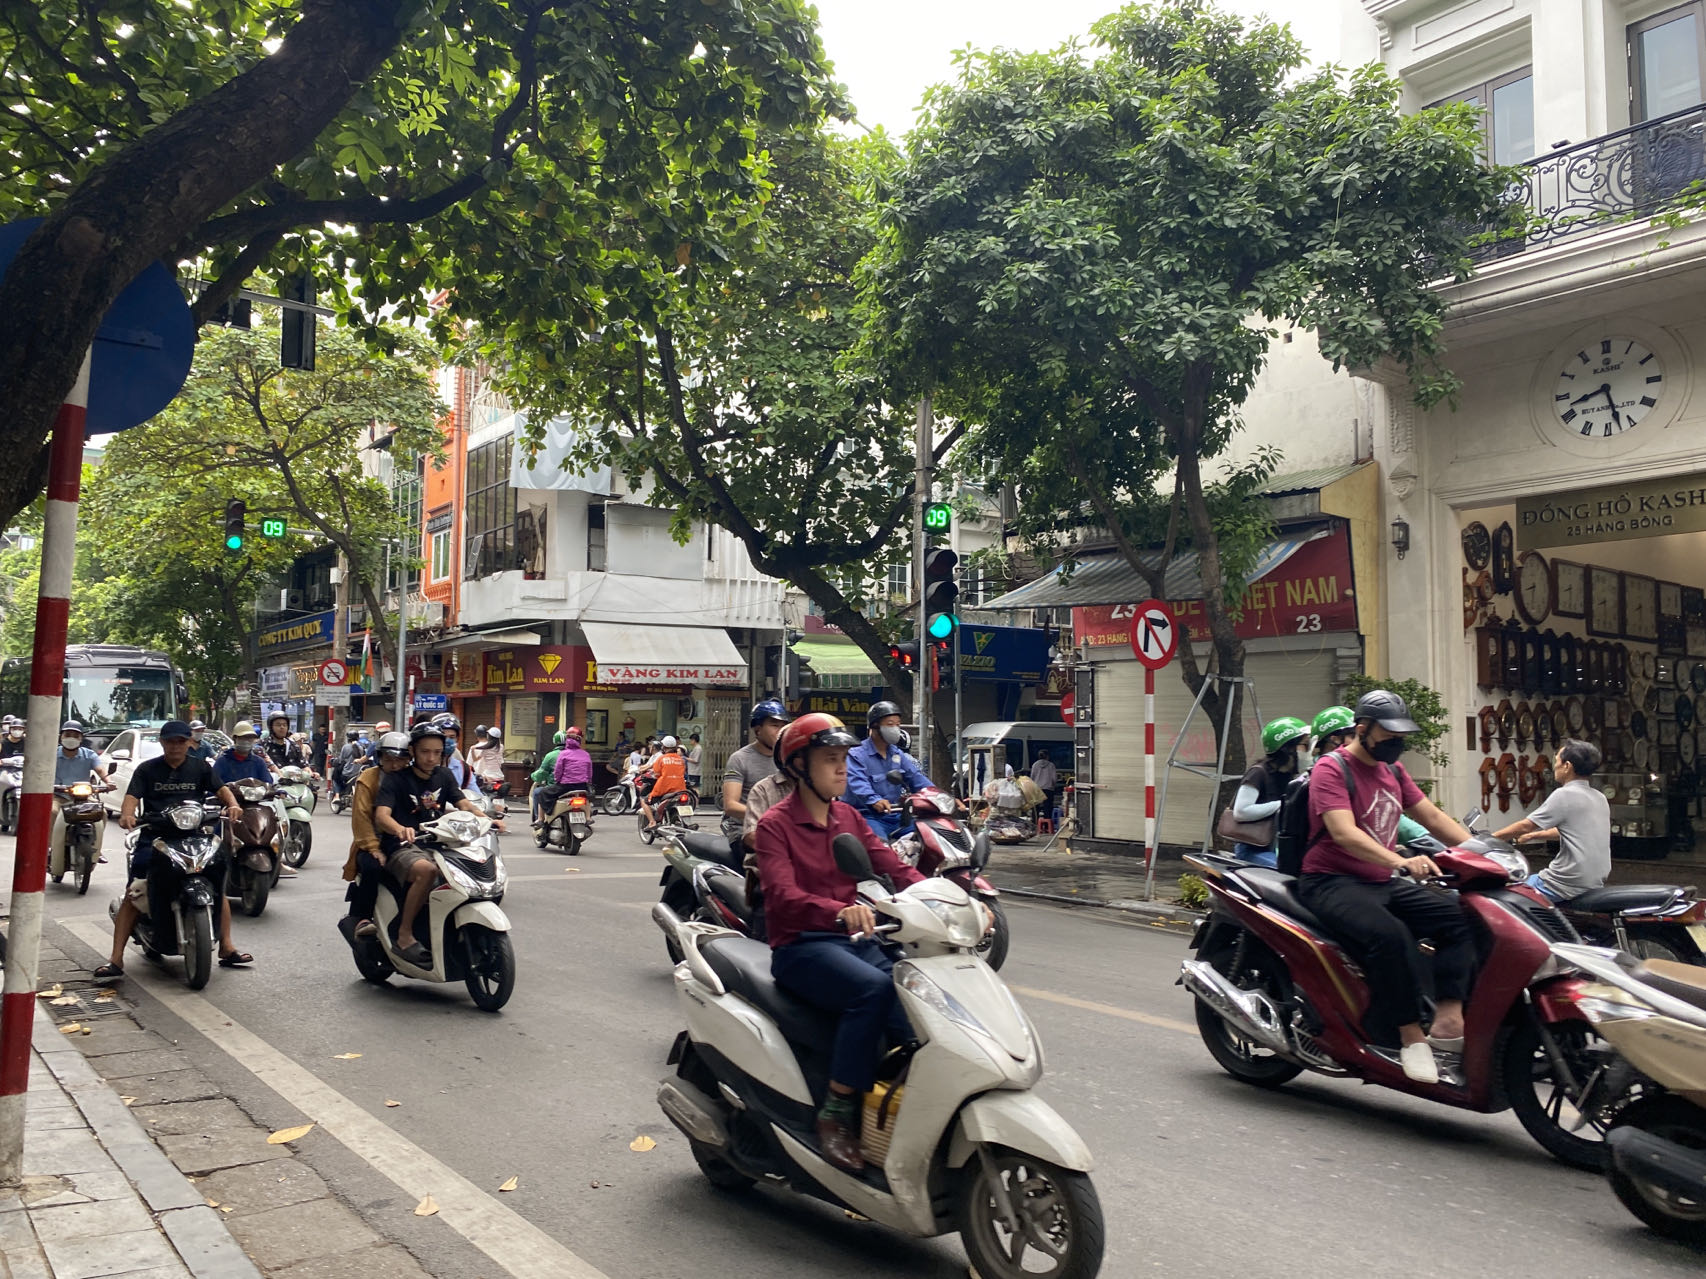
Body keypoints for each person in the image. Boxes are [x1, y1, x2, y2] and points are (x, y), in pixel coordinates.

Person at [753, 713, 925, 1172]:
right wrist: (838, 910)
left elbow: (892, 865)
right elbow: (782, 895)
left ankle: (898, 1103)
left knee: (917, 992)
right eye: (830, 759)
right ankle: (837, 1108)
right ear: (799, 766)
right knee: (873, 990)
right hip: (802, 946)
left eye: (844, 759)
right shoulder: (774, 825)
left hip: (854, 940)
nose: (842, 769)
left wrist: (951, 898)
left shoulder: (847, 816)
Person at [1298, 690, 1474, 1085]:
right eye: (1388, 734)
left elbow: (1431, 817)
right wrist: (1400, 862)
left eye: (1401, 734)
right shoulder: (1331, 768)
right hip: (1331, 881)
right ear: (1363, 729)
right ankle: (1410, 1037)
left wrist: (1483, 854)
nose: (1397, 741)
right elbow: (1343, 833)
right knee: (1391, 936)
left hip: (1379, 880)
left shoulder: (1392, 771)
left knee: (1459, 915)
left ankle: (1448, 1018)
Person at [96, 721, 250, 982]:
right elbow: (132, 796)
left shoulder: (200, 767)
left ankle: (226, 946)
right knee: (136, 890)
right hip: (155, 836)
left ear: (189, 742)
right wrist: (127, 814)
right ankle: (116, 958)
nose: (175, 746)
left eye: (181, 741)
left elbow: (222, 790)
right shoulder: (147, 769)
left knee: (217, 885)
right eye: (170, 741)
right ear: (162, 742)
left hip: (194, 835)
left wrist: (233, 804)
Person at [373, 723, 503, 965]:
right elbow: (382, 816)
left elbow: (463, 803)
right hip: (403, 845)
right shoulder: (396, 780)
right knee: (426, 871)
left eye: (437, 752)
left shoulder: (444, 775)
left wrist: (487, 819)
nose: (431, 758)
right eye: (425, 752)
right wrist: (400, 829)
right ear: (412, 751)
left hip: (441, 842)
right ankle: (404, 935)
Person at [1493, 738, 1611, 903]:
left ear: (1567, 766)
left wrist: (1488, 839)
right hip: (1592, 881)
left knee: (1503, 897)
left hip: (1562, 883)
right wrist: (1533, 836)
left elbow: (1526, 825)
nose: (1554, 766)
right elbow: (1573, 831)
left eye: (1556, 761)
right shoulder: (1599, 797)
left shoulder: (1564, 794)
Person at [338, 731, 413, 942]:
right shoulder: (368, 779)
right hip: (374, 841)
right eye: (389, 760)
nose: (395, 765)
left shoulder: (412, 777)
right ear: (379, 758)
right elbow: (361, 818)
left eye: (400, 760)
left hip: (408, 842)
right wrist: (373, 847)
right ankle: (362, 918)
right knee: (373, 868)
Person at [1229, 717, 1310, 868]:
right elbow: (1241, 812)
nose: (1309, 751)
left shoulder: (1289, 776)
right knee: (1287, 871)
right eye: (1305, 745)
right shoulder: (1258, 773)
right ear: (1288, 749)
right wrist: (1281, 805)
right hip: (1252, 850)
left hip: (1278, 847)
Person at [845, 701, 930, 840]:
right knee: (880, 846)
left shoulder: (897, 754)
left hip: (895, 815)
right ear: (874, 725)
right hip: (867, 816)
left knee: (928, 835)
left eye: (898, 725)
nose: (895, 729)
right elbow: (858, 783)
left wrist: (938, 796)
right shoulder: (856, 755)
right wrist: (874, 800)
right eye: (890, 724)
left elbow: (916, 777)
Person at [723, 700, 791, 834]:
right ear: (758, 729)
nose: (780, 731)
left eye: (783, 726)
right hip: (745, 829)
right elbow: (730, 805)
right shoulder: (740, 759)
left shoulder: (790, 759)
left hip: (782, 828)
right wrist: (772, 816)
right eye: (774, 725)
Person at [534, 727, 595, 827]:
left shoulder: (563, 754)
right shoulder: (586, 755)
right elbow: (589, 772)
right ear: (579, 740)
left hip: (565, 786)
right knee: (585, 797)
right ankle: (588, 818)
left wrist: (557, 781)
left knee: (542, 793)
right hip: (582, 786)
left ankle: (540, 819)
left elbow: (558, 771)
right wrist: (588, 783)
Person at [639, 736, 689, 831]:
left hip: (664, 788)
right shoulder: (681, 760)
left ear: (664, 747)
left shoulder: (661, 759)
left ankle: (652, 822)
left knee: (644, 801)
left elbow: (656, 774)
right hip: (680, 788)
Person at [212, 721, 272, 786]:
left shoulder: (258, 762)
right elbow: (213, 785)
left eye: (250, 738)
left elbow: (268, 783)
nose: (247, 741)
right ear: (235, 739)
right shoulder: (222, 762)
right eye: (243, 737)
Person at [53, 721, 106, 787]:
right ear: (60, 737)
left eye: (76, 736)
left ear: (81, 739)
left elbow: (100, 770)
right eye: (67, 735)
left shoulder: (89, 755)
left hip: (82, 791)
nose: (71, 739)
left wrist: (109, 782)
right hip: (55, 792)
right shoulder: (51, 755)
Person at [530, 730, 567, 821]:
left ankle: (539, 819)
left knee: (537, 792)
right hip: (577, 787)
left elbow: (541, 774)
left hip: (557, 788)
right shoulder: (576, 754)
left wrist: (533, 776)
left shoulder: (551, 756)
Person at [471, 727, 506, 792]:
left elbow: (475, 759)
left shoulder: (486, 749)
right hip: (499, 775)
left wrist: (472, 750)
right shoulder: (501, 747)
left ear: (489, 736)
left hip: (488, 776)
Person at [1029, 749, 1059, 818]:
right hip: (1048, 789)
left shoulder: (1035, 765)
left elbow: (1032, 777)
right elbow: (1054, 778)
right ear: (1047, 756)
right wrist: (1053, 785)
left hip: (1037, 789)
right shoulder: (1051, 765)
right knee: (1047, 807)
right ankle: (1047, 822)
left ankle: (1035, 821)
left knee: (1036, 808)